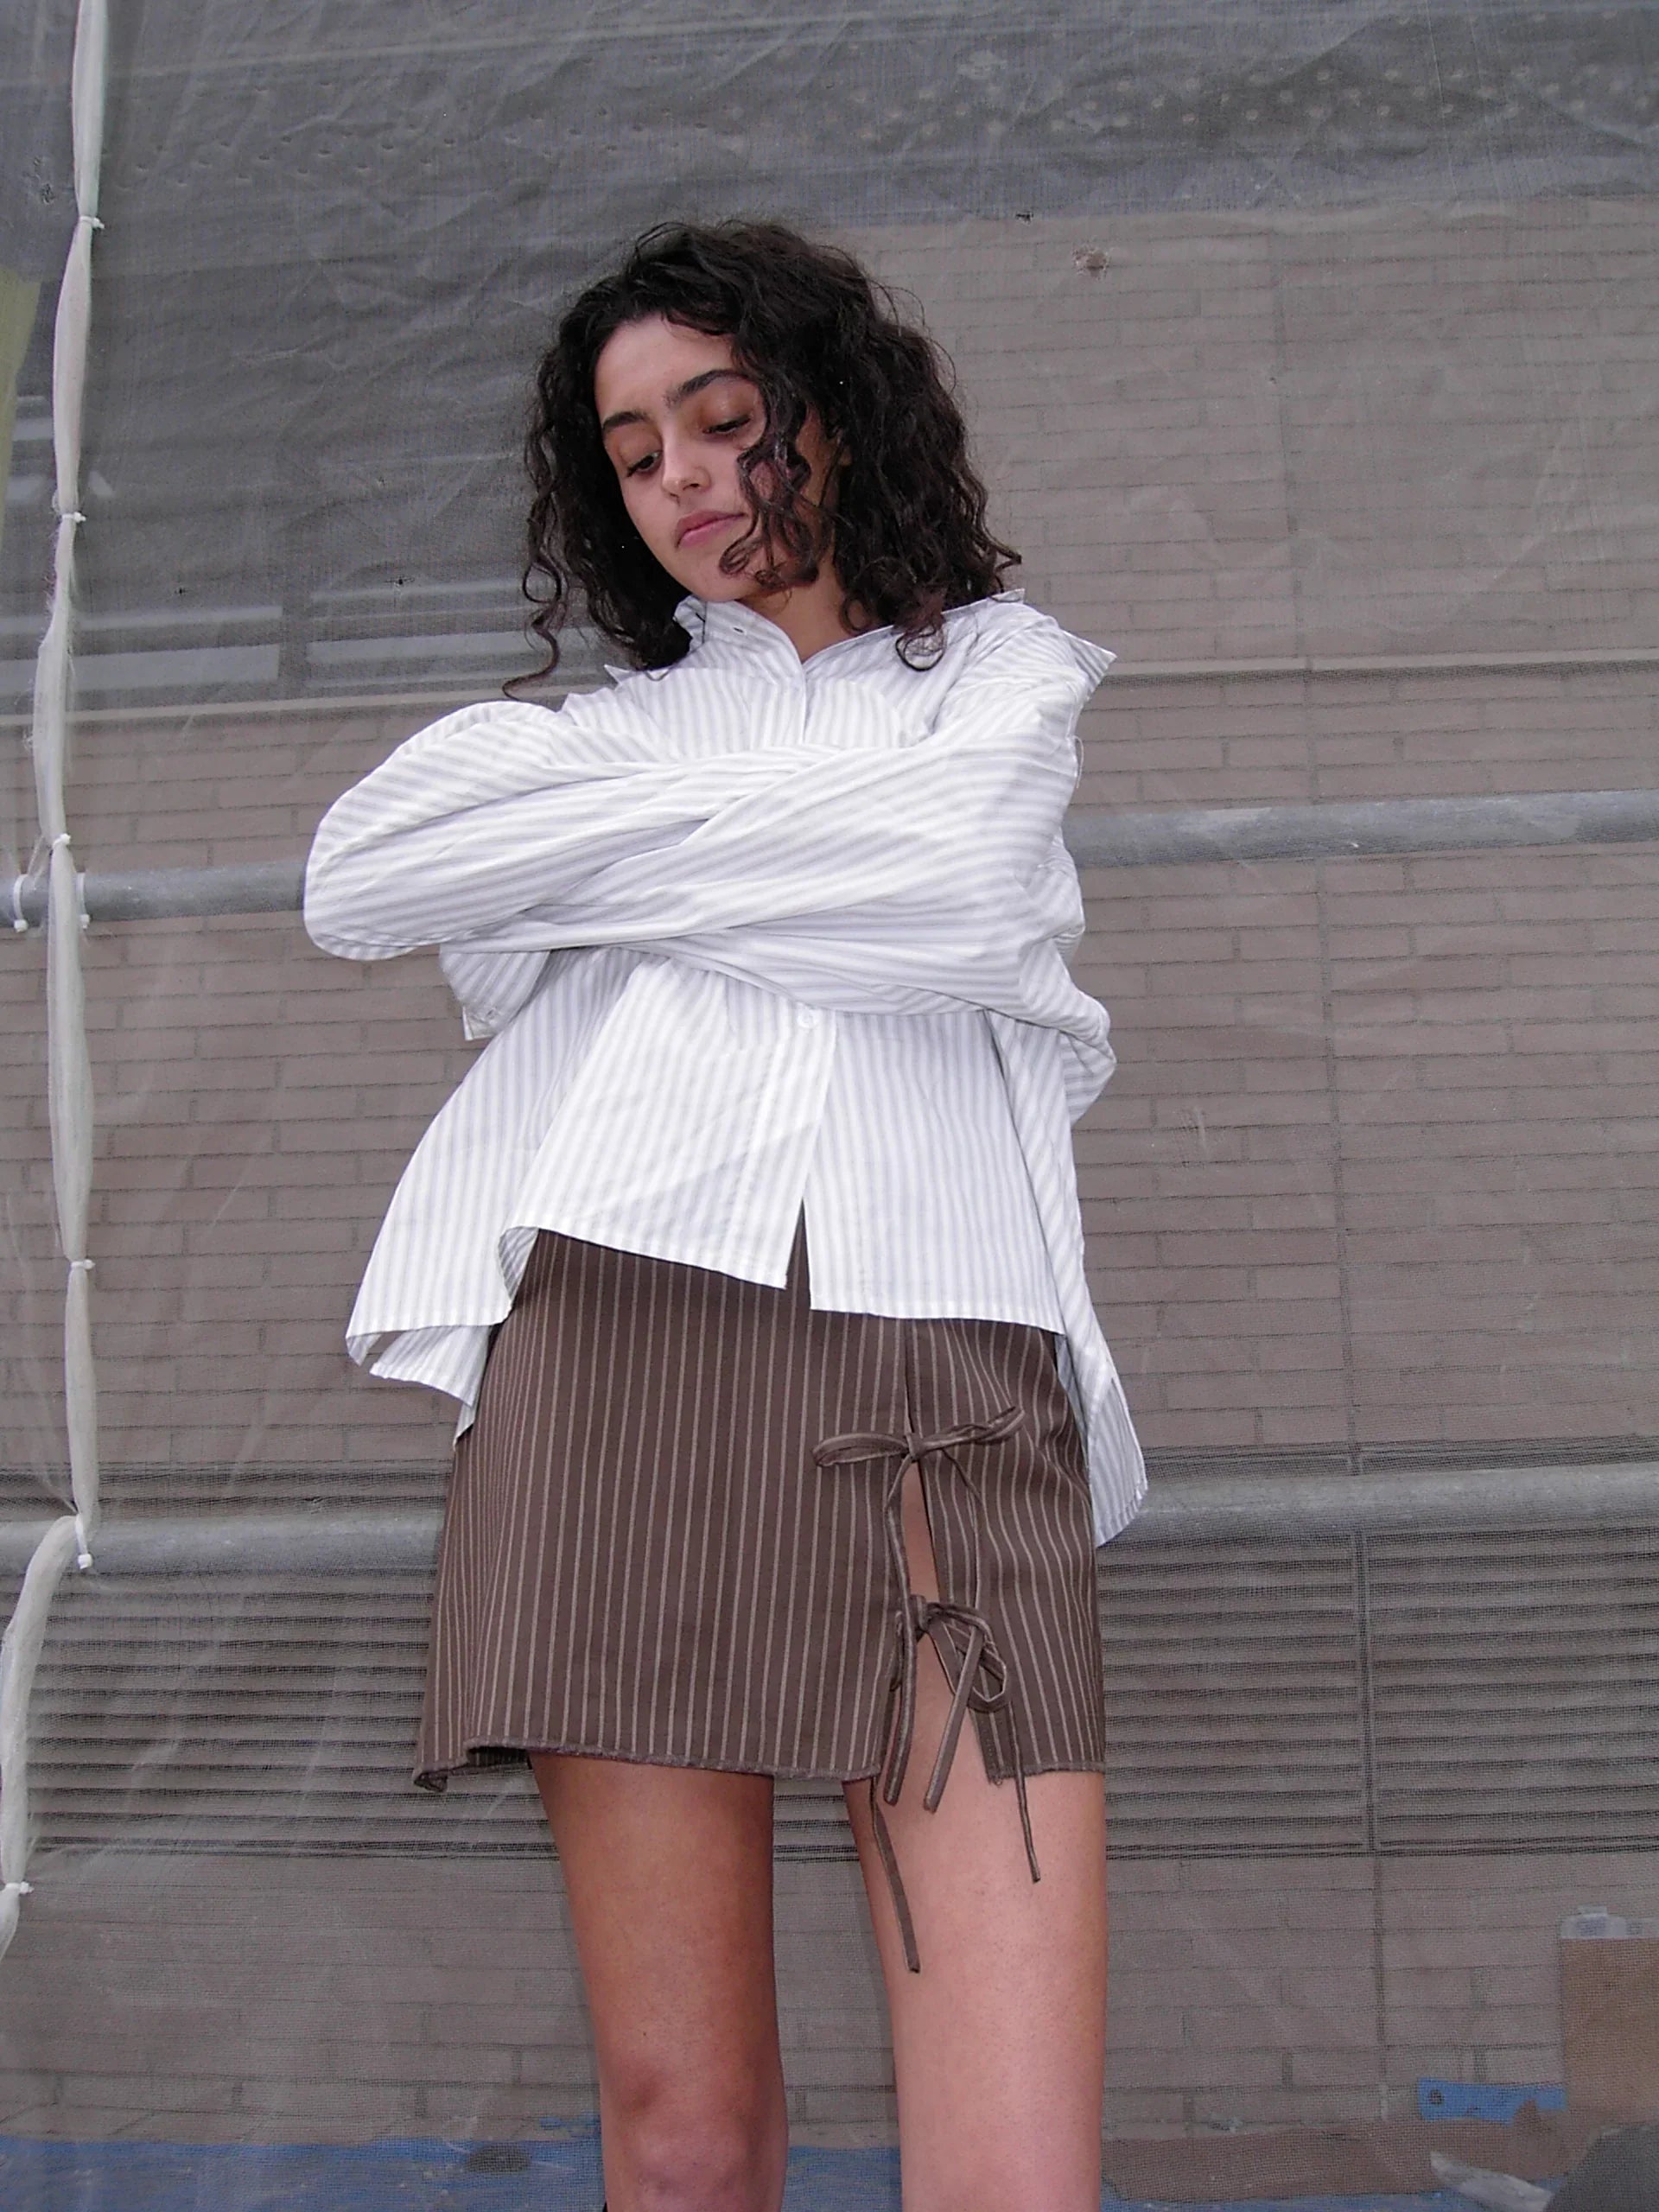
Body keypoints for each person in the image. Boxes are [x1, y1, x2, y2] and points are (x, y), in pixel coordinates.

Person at [304, 220, 1145, 2212]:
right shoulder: (597, 726)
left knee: (1016, 2172)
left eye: (722, 417)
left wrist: (598, 876)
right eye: (634, 451)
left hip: (945, 1380)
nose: (682, 476)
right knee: (683, 2145)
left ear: (833, 418)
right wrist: (818, 833)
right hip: (617, 1364)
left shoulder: (1000, 676)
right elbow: (361, 877)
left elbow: (959, 885)